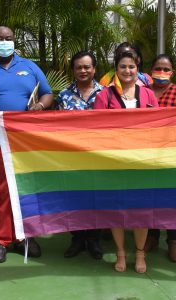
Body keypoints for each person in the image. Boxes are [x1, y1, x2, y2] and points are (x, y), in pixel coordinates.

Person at [0, 25, 53, 263]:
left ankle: (23, 236)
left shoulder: (29, 66)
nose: (4, 42)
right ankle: (0, 239)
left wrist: (40, 106)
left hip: (25, 140)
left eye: (8, 38)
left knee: (26, 187)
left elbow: (47, 93)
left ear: (15, 41)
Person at [94, 46, 158, 273]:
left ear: (137, 68)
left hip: (142, 162)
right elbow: (96, 128)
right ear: (116, 69)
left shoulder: (149, 94)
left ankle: (140, 254)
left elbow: (157, 126)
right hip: (114, 162)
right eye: (123, 66)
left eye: (132, 66)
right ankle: (121, 252)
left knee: (142, 210)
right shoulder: (104, 95)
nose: (128, 70)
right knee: (117, 209)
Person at [144, 54, 176, 262]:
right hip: (147, 152)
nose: (162, 73)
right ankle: (153, 236)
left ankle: (173, 240)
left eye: (166, 69)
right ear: (151, 71)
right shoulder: (144, 93)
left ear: (172, 73)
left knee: (173, 197)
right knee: (152, 196)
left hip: (173, 152)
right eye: (158, 68)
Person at [55, 51, 104, 259]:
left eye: (87, 67)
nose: (83, 71)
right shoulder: (64, 96)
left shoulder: (106, 94)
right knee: (73, 198)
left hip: (99, 156)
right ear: (73, 70)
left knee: (96, 198)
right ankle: (76, 239)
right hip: (72, 156)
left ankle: (93, 239)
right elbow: (56, 126)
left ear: (94, 69)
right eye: (78, 67)